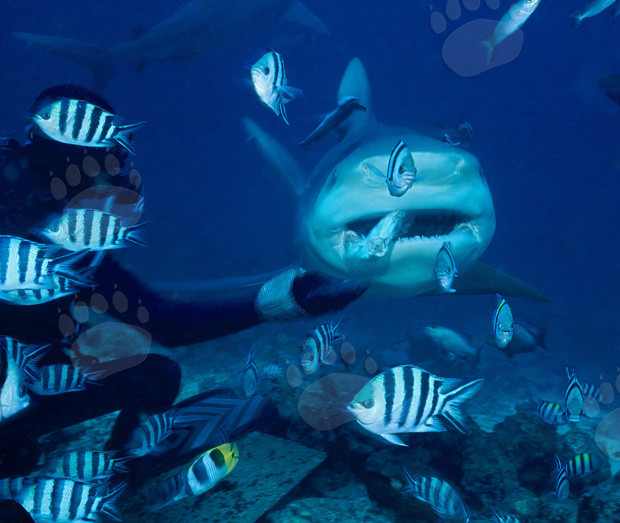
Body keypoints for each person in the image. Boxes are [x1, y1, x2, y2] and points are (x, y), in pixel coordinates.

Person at [0, 84, 366, 480]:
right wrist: (281, 301)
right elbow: (165, 322)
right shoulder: (50, 232)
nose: (120, 166)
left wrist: (283, 298)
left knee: (147, 375)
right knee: (150, 375)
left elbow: (163, 321)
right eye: (109, 148)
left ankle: (91, 467)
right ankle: (112, 476)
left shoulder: (55, 226)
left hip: (21, 381)